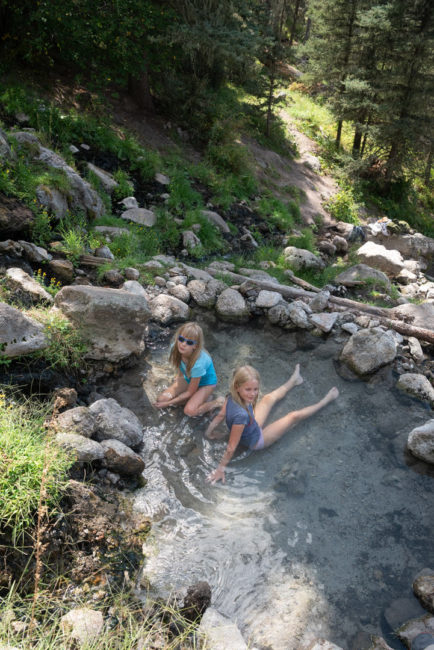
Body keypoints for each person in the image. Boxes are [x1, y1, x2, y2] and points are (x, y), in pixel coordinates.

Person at [205, 364, 339, 484]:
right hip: (256, 440)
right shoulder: (241, 416)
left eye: (255, 389)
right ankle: (325, 401)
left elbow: (221, 415)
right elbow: (231, 447)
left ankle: (294, 380)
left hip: (251, 426)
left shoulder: (231, 396)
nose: (253, 394)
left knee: (267, 398)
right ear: (237, 387)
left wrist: (209, 432)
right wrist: (220, 469)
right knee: (293, 416)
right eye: (248, 390)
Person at [154, 322, 223, 417]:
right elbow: (179, 364)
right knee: (162, 399)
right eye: (181, 339)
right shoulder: (175, 348)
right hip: (190, 377)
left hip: (206, 384)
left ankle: (217, 402)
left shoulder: (198, 364)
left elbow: (190, 392)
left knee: (189, 411)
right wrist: (179, 377)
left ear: (195, 346)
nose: (183, 344)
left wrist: (168, 404)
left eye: (189, 342)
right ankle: (201, 398)